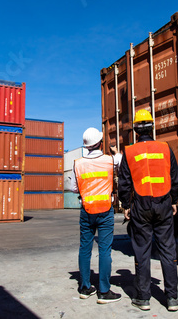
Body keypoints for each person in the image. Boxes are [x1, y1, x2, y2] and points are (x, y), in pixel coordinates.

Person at [118, 109, 178, 312]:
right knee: (167, 249)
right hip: (163, 203)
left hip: (141, 206)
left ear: (136, 130)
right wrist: (173, 199)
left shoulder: (129, 151)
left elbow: (124, 183)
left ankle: (143, 298)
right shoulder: (165, 148)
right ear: (152, 127)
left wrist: (126, 205)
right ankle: (172, 298)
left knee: (142, 251)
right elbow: (175, 178)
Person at [70, 127, 123, 304]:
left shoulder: (78, 163)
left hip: (86, 210)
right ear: (100, 143)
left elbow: (74, 188)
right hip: (105, 210)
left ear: (86, 146)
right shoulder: (110, 160)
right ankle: (104, 290)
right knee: (104, 250)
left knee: (85, 248)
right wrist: (117, 152)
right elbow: (123, 164)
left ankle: (85, 288)